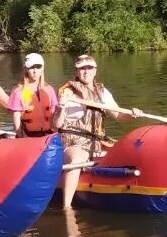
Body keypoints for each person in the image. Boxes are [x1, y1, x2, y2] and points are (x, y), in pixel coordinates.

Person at [53, 54, 143, 209]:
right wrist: (61, 108)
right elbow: (56, 125)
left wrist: (132, 114)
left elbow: (120, 116)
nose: (86, 72)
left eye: (89, 68)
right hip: (72, 141)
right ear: (77, 72)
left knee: (123, 150)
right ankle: (66, 206)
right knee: (77, 158)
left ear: (95, 70)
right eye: (82, 69)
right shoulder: (68, 92)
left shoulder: (102, 92)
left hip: (95, 142)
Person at [8, 52, 57, 138]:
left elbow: (54, 115)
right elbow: (16, 123)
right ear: (26, 69)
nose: (35, 71)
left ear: (42, 68)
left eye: (38, 67)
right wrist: (22, 137)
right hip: (27, 136)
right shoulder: (18, 91)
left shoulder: (49, 89)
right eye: (31, 67)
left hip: (48, 135)